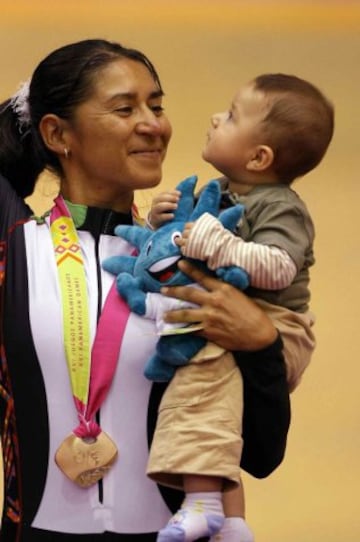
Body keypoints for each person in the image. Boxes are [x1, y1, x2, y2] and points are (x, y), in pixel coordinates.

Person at [0, 39, 290, 542]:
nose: (154, 124)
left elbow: (262, 455)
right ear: (57, 133)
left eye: (157, 106)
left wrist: (263, 345)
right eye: (124, 107)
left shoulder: (195, 258)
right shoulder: (12, 253)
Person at [147, 73, 334, 541]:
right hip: (240, 319)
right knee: (217, 402)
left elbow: (278, 268)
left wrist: (222, 245)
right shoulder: (228, 192)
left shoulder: (280, 205)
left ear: (259, 157)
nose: (215, 119)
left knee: (203, 379)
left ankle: (205, 502)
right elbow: (184, 246)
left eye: (231, 116)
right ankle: (230, 523)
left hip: (279, 325)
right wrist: (161, 221)